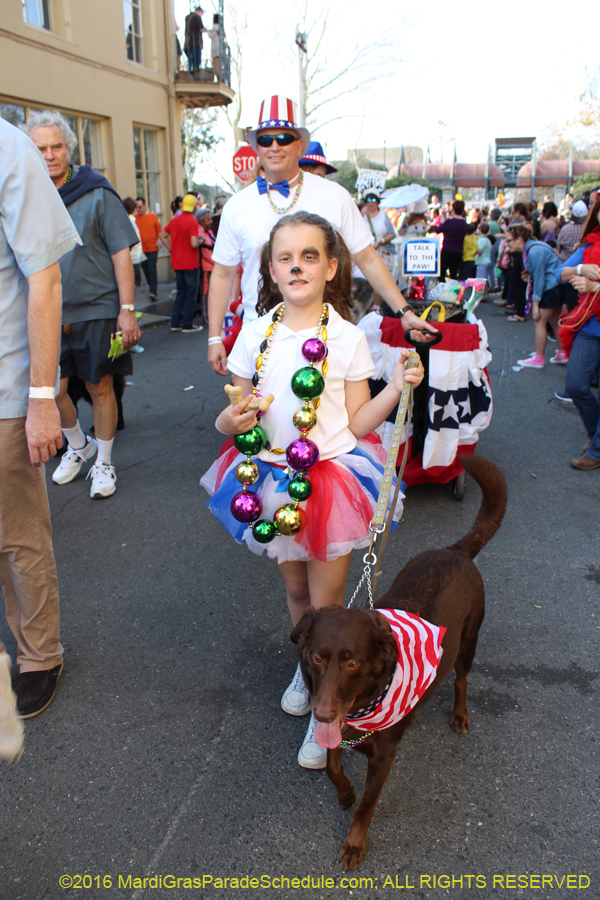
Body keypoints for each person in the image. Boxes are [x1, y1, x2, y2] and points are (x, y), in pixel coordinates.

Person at [201, 211, 424, 768]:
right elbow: (233, 417)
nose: (296, 266)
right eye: (285, 257)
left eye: (308, 256)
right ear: (271, 270)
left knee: (327, 604)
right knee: (298, 595)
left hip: (329, 479)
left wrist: (396, 386)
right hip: (268, 478)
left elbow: (356, 422)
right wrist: (233, 420)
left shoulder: (347, 337)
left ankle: (330, 713)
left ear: (329, 267)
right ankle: (310, 674)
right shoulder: (254, 333)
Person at [207, 95, 436, 376]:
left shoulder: (334, 196)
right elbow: (221, 274)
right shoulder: (237, 206)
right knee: (254, 418)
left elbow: (368, 258)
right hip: (259, 341)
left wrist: (404, 312)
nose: (274, 146)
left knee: (334, 419)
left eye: (283, 138)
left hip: (327, 339)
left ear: (299, 144)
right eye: (266, 140)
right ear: (256, 147)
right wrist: (215, 337)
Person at [1, 117, 81, 718]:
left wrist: (40, 397)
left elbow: (45, 278)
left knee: (15, 535)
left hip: (4, 387)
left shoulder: (9, 150)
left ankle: (38, 655)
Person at [25, 110, 140, 499]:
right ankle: (79, 446)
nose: (49, 154)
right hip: (47, 313)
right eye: (41, 148)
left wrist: (128, 310)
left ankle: (104, 463)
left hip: (97, 309)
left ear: (69, 149)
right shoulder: (27, 195)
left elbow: (121, 252)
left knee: (98, 386)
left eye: (57, 146)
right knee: (52, 391)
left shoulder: (96, 191)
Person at [557, 196, 600, 469]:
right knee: (574, 384)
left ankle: (596, 451)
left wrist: (596, 287)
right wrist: (580, 268)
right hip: (589, 325)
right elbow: (561, 273)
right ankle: (596, 435)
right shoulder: (590, 243)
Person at [501, 225, 566, 368]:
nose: (507, 244)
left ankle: (539, 358)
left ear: (519, 239)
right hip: (556, 285)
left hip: (551, 287)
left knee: (540, 322)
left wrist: (535, 304)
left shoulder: (534, 251)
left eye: (509, 240)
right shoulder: (534, 247)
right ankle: (563, 353)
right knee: (554, 321)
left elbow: (540, 278)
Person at [159, 193, 203, 334]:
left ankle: (175, 322)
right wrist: (201, 240)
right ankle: (187, 323)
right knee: (191, 293)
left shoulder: (175, 220)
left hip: (177, 261)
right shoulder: (192, 221)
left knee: (181, 292)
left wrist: (171, 248)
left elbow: (162, 235)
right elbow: (193, 243)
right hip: (190, 262)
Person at [431, 199, 468, 281]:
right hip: (458, 251)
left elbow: (438, 230)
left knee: (441, 273)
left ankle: (443, 289)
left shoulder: (449, 222)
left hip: (447, 250)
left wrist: (442, 221)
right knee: (454, 274)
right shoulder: (464, 224)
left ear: (453, 210)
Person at [135, 197, 162, 301]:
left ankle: (153, 290)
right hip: (141, 249)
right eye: (136, 207)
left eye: (140, 207)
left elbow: (159, 230)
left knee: (151, 268)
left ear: (144, 205)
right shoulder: (135, 218)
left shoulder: (153, 216)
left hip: (152, 247)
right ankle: (152, 287)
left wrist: (159, 240)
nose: (138, 209)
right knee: (146, 270)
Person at [197, 208, 216, 323]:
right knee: (206, 293)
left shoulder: (208, 232)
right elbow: (206, 253)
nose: (211, 221)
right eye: (208, 219)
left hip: (212, 266)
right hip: (207, 267)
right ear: (201, 220)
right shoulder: (200, 233)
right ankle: (207, 316)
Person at [123, 197, 142, 287]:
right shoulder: (130, 220)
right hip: (133, 257)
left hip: (134, 256)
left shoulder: (127, 220)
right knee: (134, 282)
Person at [184, 6, 205, 76]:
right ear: (200, 11)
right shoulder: (197, 17)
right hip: (195, 42)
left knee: (191, 61)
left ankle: (191, 74)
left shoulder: (188, 17)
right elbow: (201, 29)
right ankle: (196, 75)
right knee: (196, 63)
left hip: (188, 43)